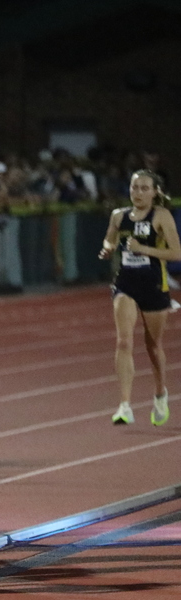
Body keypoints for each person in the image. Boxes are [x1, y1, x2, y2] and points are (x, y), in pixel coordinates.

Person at [101, 169, 177, 427]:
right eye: (135, 188)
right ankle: (125, 405)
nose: (138, 193)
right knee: (123, 342)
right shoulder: (118, 216)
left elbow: (176, 253)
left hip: (154, 285)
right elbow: (110, 241)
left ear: (155, 192)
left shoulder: (161, 216)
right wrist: (107, 249)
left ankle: (160, 393)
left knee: (153, 346)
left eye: (145, 188)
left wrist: (143, 248)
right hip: (126, 285)